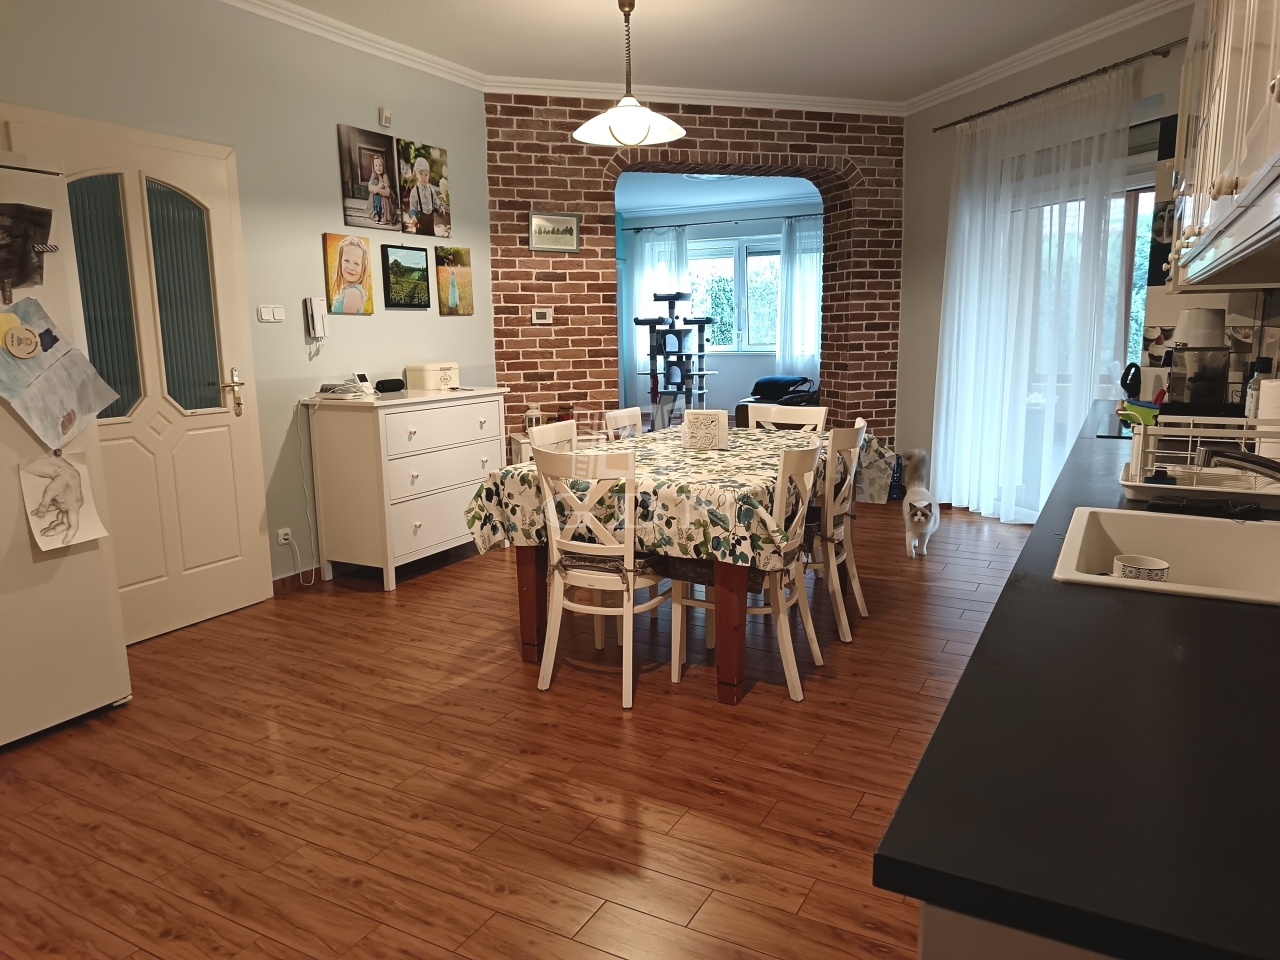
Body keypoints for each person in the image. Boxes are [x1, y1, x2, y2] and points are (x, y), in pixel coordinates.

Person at [330, 236, 369, 314]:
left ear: (363, 268)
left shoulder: (352, 293)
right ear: (340, 262)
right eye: (346, 260)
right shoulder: (347, 290)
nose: (351, 267)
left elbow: (345, 321)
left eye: (356, 263)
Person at [406, 156, 438, 235]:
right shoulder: (415, 191)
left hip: (430, 221)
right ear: (416, 175)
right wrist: (413, 217)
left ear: (429, 175)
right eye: (421, 174)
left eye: (426, 174)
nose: (424, 177)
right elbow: (412, 206)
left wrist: (440, 205)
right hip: (421, 222)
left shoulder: (430, 188)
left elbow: (435, 200)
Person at [366, 154, 393, 225]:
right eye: (376, 166)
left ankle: (383, 216)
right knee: (374, 184)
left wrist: (377, 190)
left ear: (383, 166)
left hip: (383, 201)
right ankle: (376, 214)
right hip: (376, 200)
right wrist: (378, 187)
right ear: (373, 167)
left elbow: (387, 193)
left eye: (380, 165)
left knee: (383, 196)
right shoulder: (374, 175)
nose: (378, 168)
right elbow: (370, 188)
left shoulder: (385, 176)